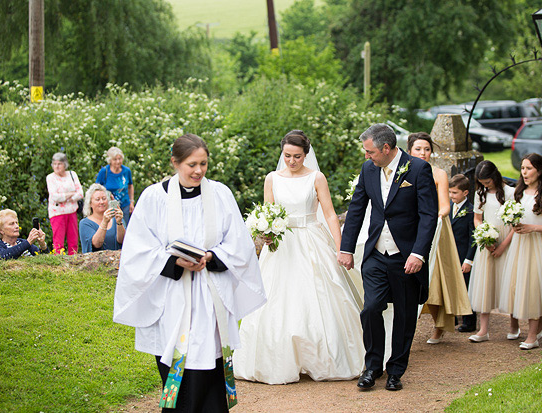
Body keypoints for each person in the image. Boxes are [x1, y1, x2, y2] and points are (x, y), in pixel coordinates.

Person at [114, 134, 266, 412]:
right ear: (175, 162)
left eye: (204, 164)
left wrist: (212, 256)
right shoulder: (153, 197)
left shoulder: (220, 194)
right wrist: (174, 261)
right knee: (177, 364)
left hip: (210, 296)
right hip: (171, 297)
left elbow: (238, 242)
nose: (199, 171)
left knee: (209, 362)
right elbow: (138, 249)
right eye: (192, 164)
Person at [234, 130, 365, 384]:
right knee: (277, 299)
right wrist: (265, 233)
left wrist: (340, 246)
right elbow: (268, 211)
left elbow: (328, 214)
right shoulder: (272, 178)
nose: (292, 161)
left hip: (311, 240)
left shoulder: (316, 177)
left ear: (306, 155)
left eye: (297, 156)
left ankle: (323, 357)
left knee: (318, 296)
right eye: (287, 156)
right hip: (281, 246)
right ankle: (276, 359)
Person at [338, 123, 438, 391]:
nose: (366, 156)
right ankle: (372, 367)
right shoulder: (368, 169)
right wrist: (346, 248)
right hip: (375, 254)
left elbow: (429, 216)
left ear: (386, 147)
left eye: (369, 151)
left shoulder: (417, 169)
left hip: (405, 256)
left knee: (405, 316)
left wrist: (418, 253)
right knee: (371, 308)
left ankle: (396, 370)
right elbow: (357, 208)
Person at [407, 132, 472, 344]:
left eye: (426, 149)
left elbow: (445, 204)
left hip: (434, 228)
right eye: (418, 149)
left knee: (434, 280)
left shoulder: (439, 173)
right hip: (408, 229)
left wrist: (433, 217)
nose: (423, 153)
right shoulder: (403, 172)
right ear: (409, 151)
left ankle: (439, 325)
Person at [499, 153, 542, 350]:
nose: (524, 172)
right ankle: (537, 320)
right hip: (520, 245)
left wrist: (531, 228)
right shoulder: (518, 193)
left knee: (535, 286)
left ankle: (533, 336)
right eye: (522, 168)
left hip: (539, 246)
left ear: (539, 170)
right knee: (518, 286)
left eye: (529, 168)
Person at [468, 161, 518, 343]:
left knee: (509, 282)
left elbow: (516, 224)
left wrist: (503, 244)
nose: (485, 185)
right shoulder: (480, 194)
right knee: (485, 284)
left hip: (507, 240)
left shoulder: (510, 193)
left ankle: (514, 325)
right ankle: (483, 329)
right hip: (488, 243)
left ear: (495, 176)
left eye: (487, 182)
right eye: (481, 182)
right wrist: (484, 237)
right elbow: (477, 218)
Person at [448, 174, 477, 333]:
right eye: (450, 192)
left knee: (466, 288)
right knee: (451, 286)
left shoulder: (470, 211)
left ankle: (469, 320)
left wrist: (469, 260)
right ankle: (451, 316)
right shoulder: (449, 208)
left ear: (465, 193)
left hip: (463, 255)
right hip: (451, 255)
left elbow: (473, 238)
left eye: (455, 193)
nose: (451, 196)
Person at [46, 152, 83, 254]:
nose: (56, 166)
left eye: (59, 164)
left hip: (72, 211)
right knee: (58, 242)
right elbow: (55, 197)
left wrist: (65, 197)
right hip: (57, 213)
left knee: (73, 240)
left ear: (65, 164)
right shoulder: (50, 177)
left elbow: (80, 193)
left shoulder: (72, 174)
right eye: (54, 164)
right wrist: (70, 194)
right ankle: (59, 263)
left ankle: (74, 261)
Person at [79, 184, 125, 253]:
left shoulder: (117, 217)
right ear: (90, 203)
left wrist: (119, 222)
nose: (102, 202)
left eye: (104, 198)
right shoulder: (85, 223)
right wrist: (104, 222)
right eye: (97, 199)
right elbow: (97, 244)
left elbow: (123, 240)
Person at [95, 147, 135, 225]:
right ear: (110, 160)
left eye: (119, 159)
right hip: (110, 206)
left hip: (124, 204)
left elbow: (130, 186)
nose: (118, 161)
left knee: (124, 226)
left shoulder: (126, 171)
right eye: (115, 159)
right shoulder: (104, 172)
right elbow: (97, 188)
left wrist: (131, 201)